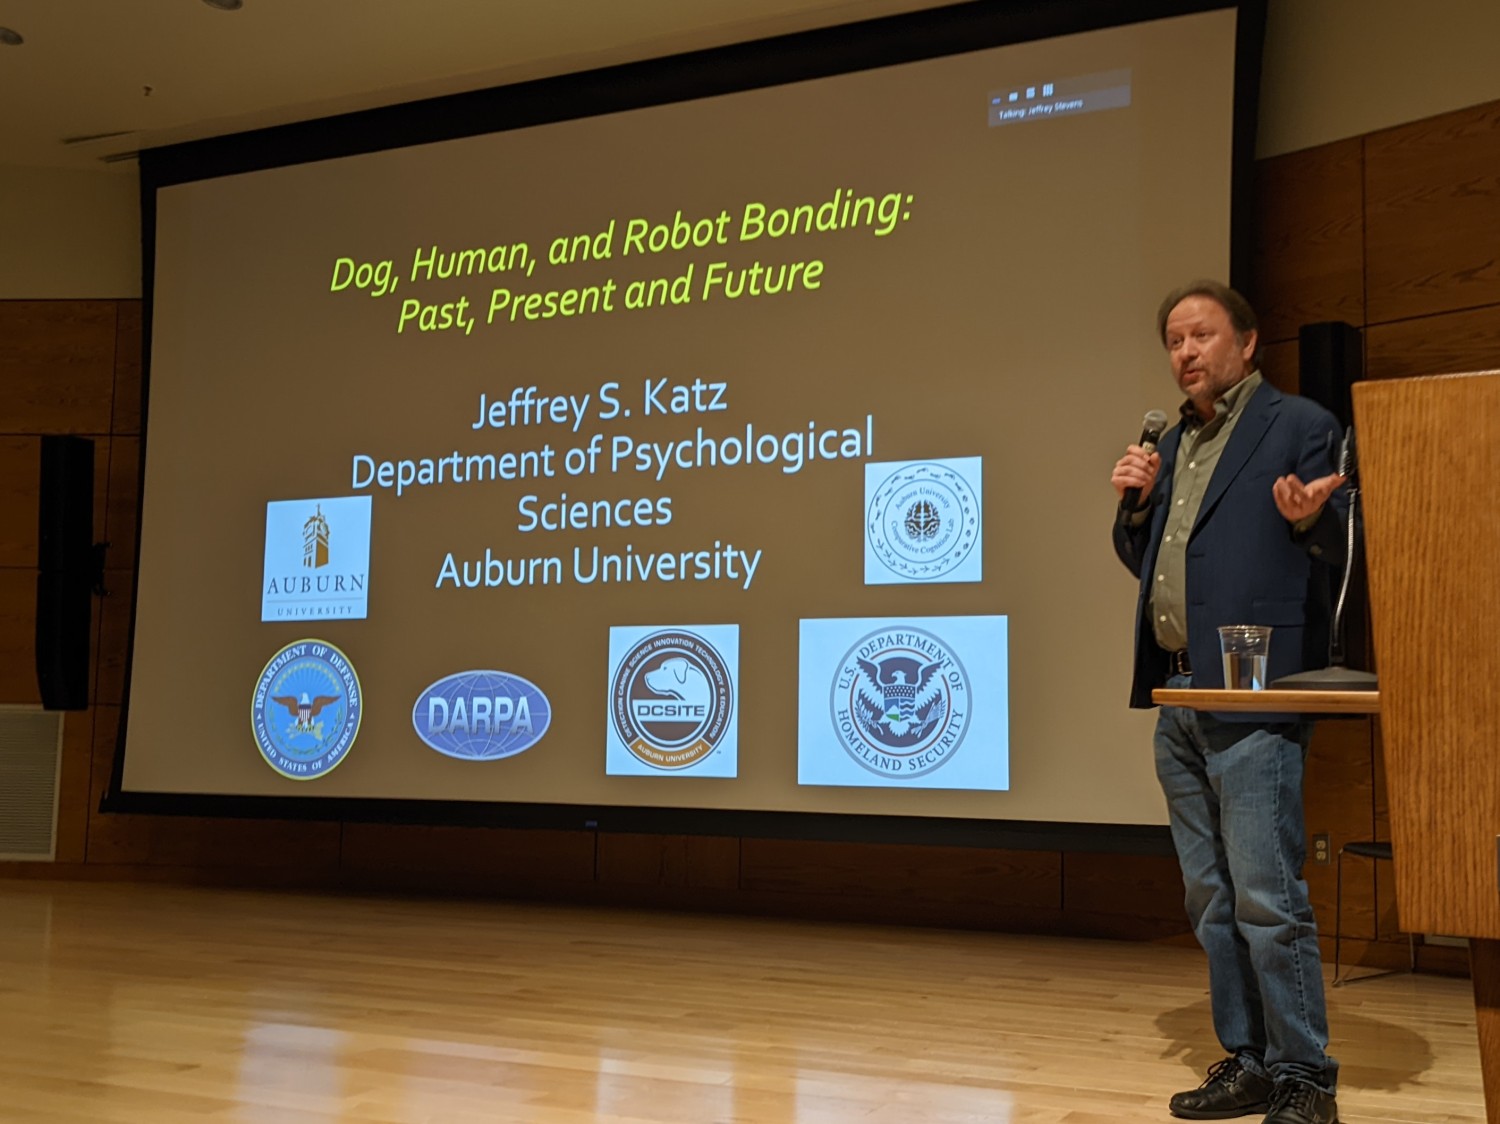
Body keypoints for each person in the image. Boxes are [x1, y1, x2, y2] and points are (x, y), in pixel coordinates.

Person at [1110, 280, 1347, 1124]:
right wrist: (1133, 507)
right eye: (1174, 340)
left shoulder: (1298, 424)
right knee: (1210, 898)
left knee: (1267, 894)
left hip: (1255, 693)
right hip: (1179, 690)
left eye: (1201, 335)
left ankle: (1304, 1077)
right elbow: (1154, 559)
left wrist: (1306, 520)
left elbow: (1340, 534)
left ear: (1246, 344)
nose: (1185, 353)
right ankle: (1247, 1060)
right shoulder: (1174, 442)